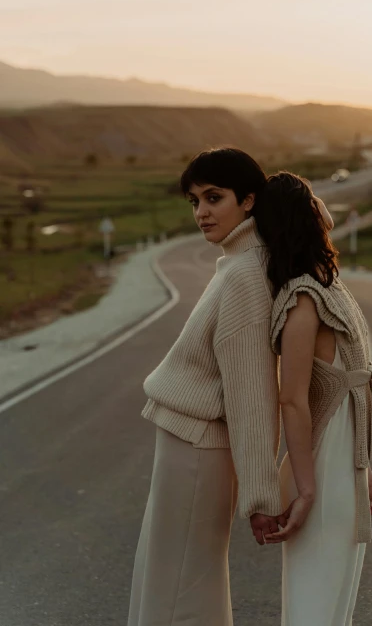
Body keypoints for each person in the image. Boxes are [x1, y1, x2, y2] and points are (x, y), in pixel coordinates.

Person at [127, 147, 284, 626]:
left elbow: (252, 393)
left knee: (180, 586)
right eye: (194, 201)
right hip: (188, 444)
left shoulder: (245, 275)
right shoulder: (236, 264)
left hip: (199, 451)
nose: (201, 213)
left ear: (250, 200)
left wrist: (261, 495)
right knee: (174, 578)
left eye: (214, 198)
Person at [255, 171, 372, 626]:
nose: (322, 205)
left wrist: (363, 465)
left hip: (342, 461)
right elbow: (291, 399)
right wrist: (306, 489)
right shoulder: (303, 299)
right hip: (321, 465)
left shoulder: (330, 286)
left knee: (335, 595)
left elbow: (349, 389)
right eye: (312, 197)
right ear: (303, 214)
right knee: (316, 596)